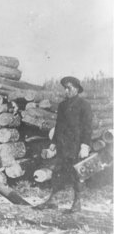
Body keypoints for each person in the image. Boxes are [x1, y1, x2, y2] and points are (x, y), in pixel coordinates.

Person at [34, 76, 92, 213]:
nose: (66, 91)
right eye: (65, 88)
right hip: (62, 145)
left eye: (69, 88)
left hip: (76, 146)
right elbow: (58, 126)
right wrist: (53, 144)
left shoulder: (84, 105)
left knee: (77, 173)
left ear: (77, 89)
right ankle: (52, 200)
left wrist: (85, 146)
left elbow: (88, 127)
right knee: (57, 172)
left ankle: (77, 202)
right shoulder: (62, 105)